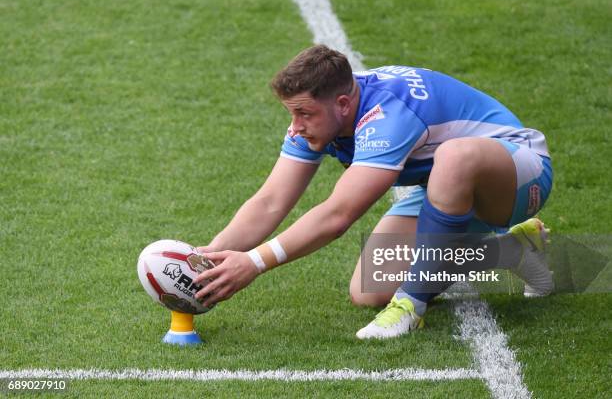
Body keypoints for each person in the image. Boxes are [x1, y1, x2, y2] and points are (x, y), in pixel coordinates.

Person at [194, 44, 553, 339]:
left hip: (519, 173)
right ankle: (512, 251)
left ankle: (411, 305)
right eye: (292, 114)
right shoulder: (321, 118)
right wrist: (208, 258)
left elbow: (338, 215)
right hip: (443, 188)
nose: (296, 126)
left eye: (304, 114)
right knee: (370, 289)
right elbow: (270, 201)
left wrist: (254, 262)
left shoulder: (388, 117)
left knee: (455, 154)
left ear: (343, 105)